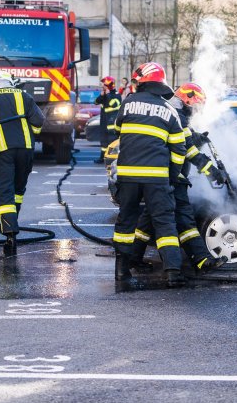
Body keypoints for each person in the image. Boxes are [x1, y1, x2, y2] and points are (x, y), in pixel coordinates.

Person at [129, 83, 229, 275]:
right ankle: (199, 261)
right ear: (188, 98)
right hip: (170, 178)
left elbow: (185, 139)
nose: (196, 110)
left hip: (161, 176)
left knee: (148, 220)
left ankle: (133, 258)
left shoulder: (172, 111)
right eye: (196, 105)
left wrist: (196, 137)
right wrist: (211, 171)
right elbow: (188, 149)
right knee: (184, 217)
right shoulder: (177, 114)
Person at [112, 62, 187, 288]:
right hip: (156, 177)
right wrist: (172, 176)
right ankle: (173, 273)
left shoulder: (127, 105)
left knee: (126, 221)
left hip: (128, 176)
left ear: (141, 83)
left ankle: (121, 271)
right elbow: (179, 149)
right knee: (164, 222)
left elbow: (118, 130)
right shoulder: (170, 110)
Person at [0, 72, 45, 256]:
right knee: (17, 190)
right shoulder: (24, 96)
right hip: (26, 150)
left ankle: (9, 232)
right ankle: (11, 222)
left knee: (4, 189)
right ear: (10, 82)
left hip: (2, 151)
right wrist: (32, 132)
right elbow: (39, 121)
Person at [94, 76, 121, 164]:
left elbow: (111, 104)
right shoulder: (105, 95)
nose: (102, 86)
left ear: (109, 85)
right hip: (104, 122)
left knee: (112, 141)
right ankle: (102, 157)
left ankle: (112, 159)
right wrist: (102, 95)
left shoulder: (116, 95)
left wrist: (108, 94)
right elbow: (96, 102)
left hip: (112, 123)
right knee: (103, 141)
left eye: (104, 85)